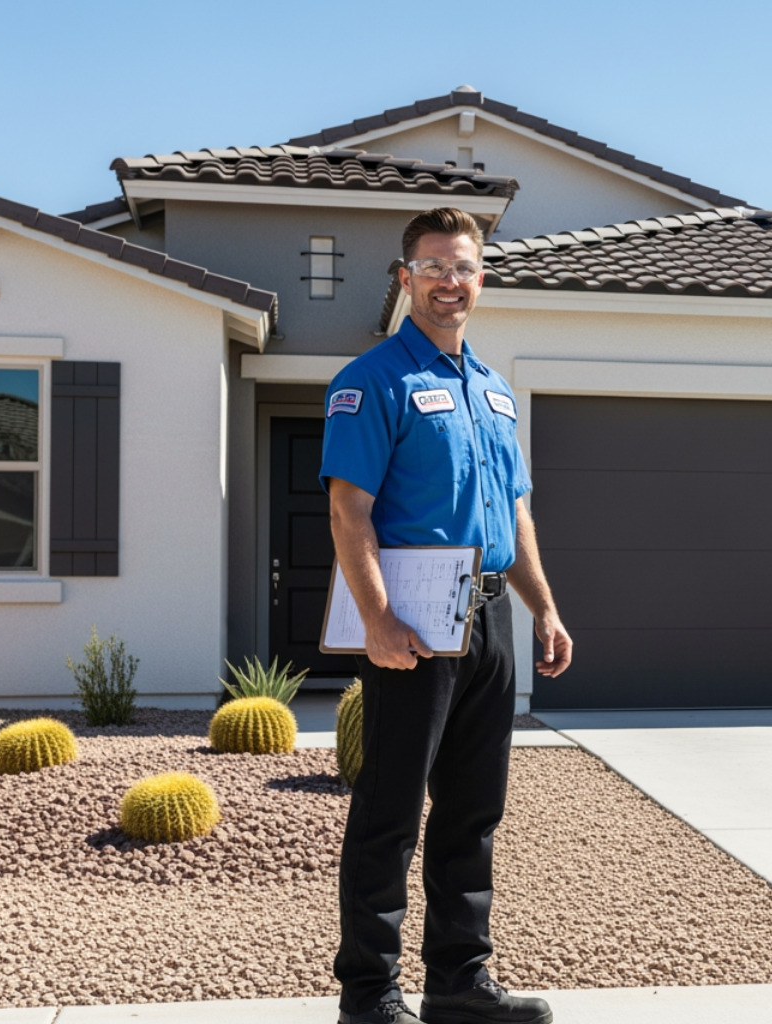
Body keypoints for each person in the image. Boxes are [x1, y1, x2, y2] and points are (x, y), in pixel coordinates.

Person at [320, 206, 572, 1024]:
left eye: (462, 267)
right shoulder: (371, 382)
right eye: (432, 267)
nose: (448, 282)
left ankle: (459, 984)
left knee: (473, 807)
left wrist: (545, 609)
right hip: (417, 621)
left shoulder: (494, 392)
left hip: (491, 616)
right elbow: (347, 511)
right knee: (391, 811)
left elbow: (517, 514)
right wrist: (380, 618)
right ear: (405, 279)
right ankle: (368, 994)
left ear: (480, 279)